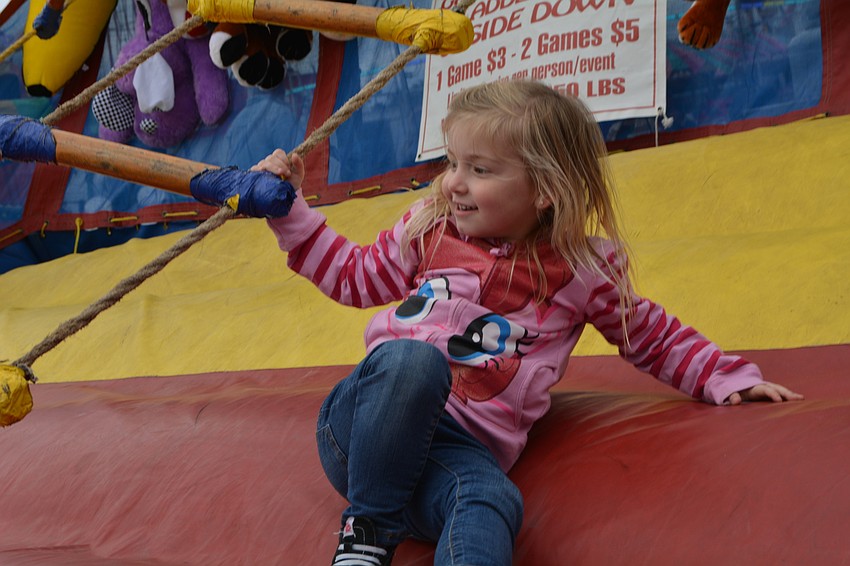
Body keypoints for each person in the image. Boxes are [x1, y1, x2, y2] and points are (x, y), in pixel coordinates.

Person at [222, 80, 804, 565]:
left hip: (458, 450)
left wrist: (723, 376)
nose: (453, 182)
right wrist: (290, 212)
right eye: (452, 163)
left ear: (544, 191)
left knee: (491, 500)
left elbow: (647, 333)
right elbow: (353, 277)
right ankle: (367, 533)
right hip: (366, 428)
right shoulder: (428, 229)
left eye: (478, 169)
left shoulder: (580, 270)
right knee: (413, 362)